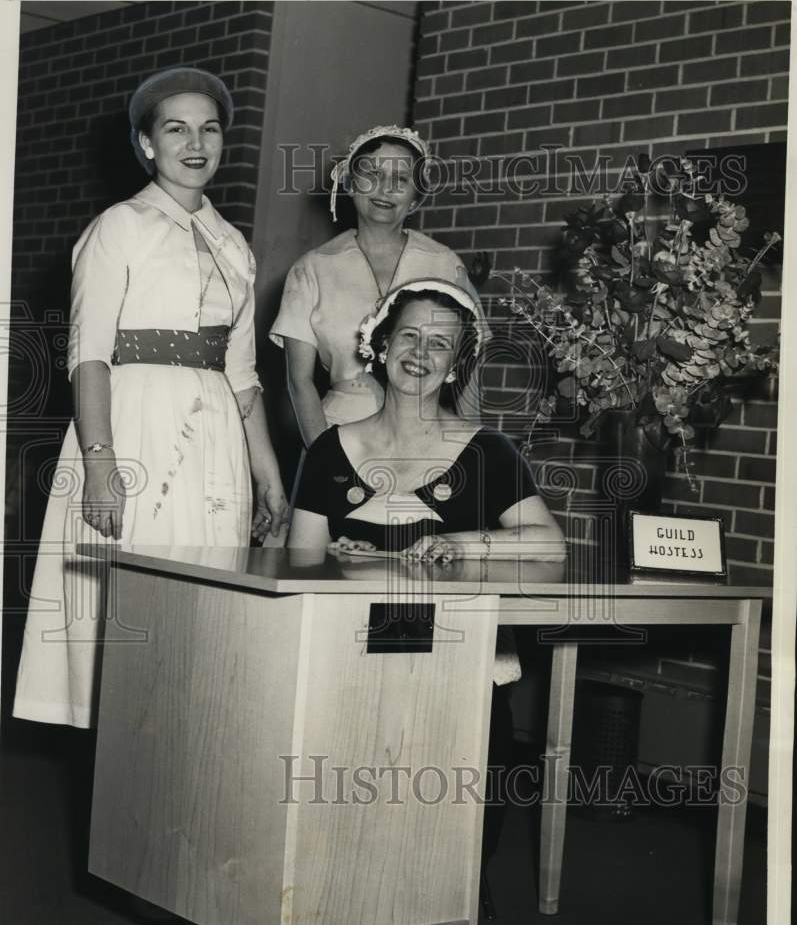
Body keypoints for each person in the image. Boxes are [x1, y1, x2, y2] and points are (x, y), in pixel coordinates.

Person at [13, 67, 289, 728]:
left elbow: (244, 377)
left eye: (209, 128)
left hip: (215, 443)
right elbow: (88, 354)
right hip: (129, 426)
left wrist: (270, 477)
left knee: (199, 620)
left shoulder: (234, 244)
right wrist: (102, 463)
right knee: (120, 623)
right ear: (145, 144)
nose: (195, 143)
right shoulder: (119, 227)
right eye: (176, 129)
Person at [288, 277, 566, 866]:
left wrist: (459, 542)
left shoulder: (488, 451)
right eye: (408, 335)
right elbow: (299, 564)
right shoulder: (329, 451)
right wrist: (341, 564)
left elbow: (549, 546)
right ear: (380, 346)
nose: (420, 353)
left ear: (456, 364)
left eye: (440, 344)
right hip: (345, 667)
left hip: (456, 671)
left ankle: (456, 875)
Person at [269, 125, 488, 446]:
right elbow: (299, 381)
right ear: (350, 184)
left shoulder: (444, 263)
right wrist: (323, 456)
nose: (384, 189)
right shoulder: (312, 268)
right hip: (341, 432)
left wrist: (475, 451)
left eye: (400, 180)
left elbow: (470, 371)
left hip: (426, 438)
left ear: (415, 198)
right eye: (371, 173)